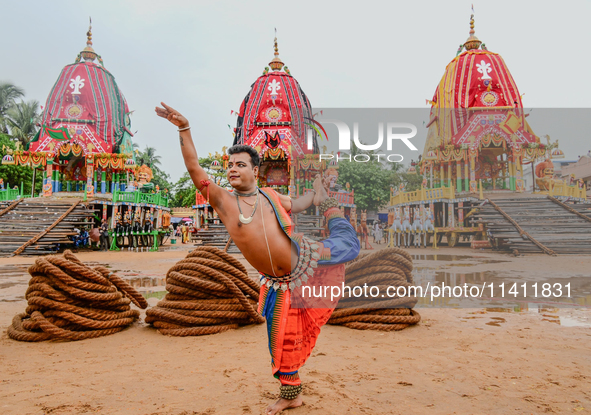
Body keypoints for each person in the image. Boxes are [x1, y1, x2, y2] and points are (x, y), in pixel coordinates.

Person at [156, 102, 360, 415]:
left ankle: (333, 210)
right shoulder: (224, 202)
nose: (232, 169)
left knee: (348, 245)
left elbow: (299, 202)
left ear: (255, 170)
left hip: (307, 258)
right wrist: (184, 128)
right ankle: (292, 394)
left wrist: (317, 197)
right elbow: (195, 169)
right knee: (279, 341)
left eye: (240, 164)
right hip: (280, 284)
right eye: (230, 165)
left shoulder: (271, 196)